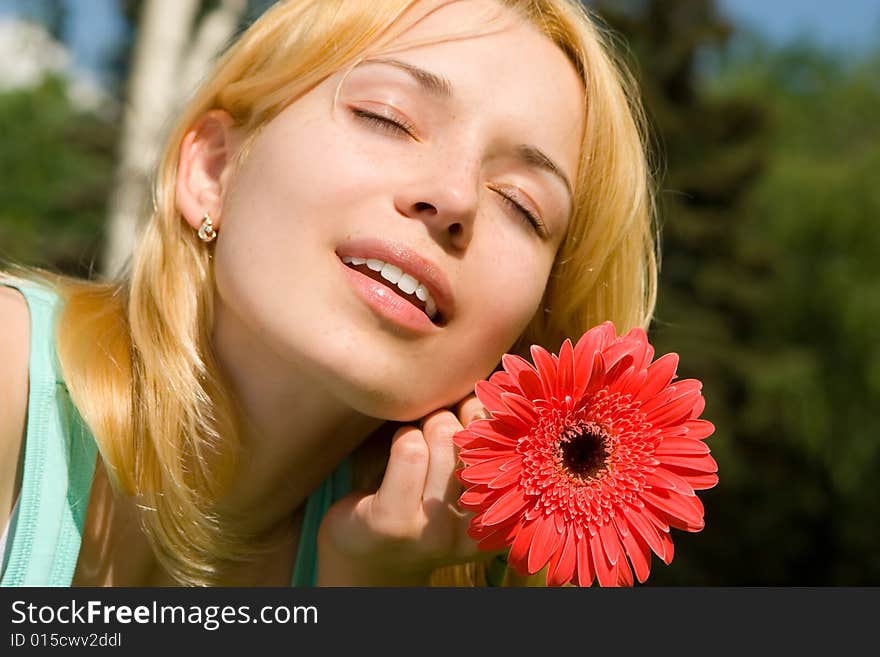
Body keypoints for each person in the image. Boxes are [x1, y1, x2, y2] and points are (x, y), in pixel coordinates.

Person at [0, 0, 657, 587]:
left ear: (528, 335)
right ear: (212, 170)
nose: (454, 197)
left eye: (522, 205)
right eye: (388, 118)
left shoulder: (422, 573)